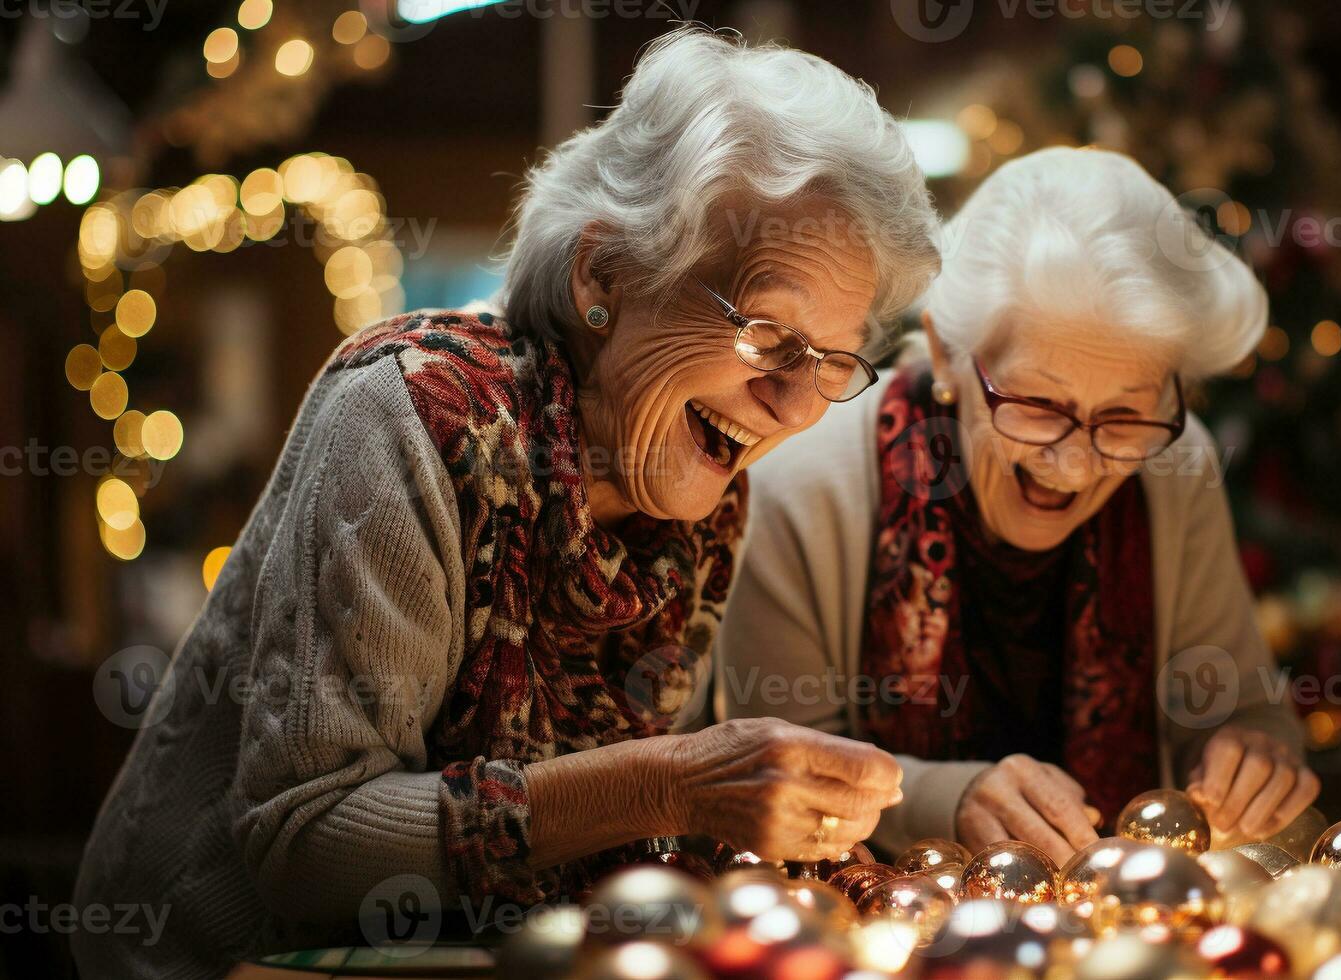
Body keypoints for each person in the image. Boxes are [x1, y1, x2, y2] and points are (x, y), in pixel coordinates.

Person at [73, 28, 940, 978]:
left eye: (830, 363)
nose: (791, 402)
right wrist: (670, 786)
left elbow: (604, 850)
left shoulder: (695, 491)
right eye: (769, 332)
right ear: (602, 275)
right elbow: (305, 847)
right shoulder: (413, 414)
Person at [716, 147, 1316, 865]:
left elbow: (1236, 707)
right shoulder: (802, 478)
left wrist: (1249, 751)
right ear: (945, 354)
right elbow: (782, 772)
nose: (1074, 462)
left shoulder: (1175, 467)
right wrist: (949, 798)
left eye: (1123, 416)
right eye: (1036, 404)